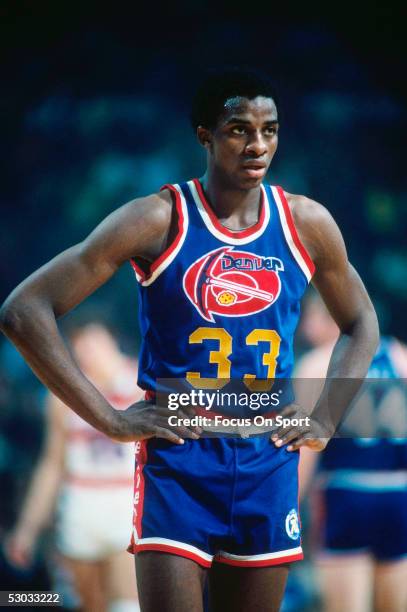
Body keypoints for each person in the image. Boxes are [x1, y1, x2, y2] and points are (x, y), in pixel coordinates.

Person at [0, 68, 379, 612]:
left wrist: (327, 416)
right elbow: (22, 310)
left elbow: (362, 322)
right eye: (238, 129)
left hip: (266, 457)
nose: (257, 145)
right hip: (179, 462)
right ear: (204, 134)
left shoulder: (306, 223)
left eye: (269, 130)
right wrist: (109, 418)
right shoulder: (157, 218)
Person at [5, 321, 142, 612]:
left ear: (112, 343)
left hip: (127, 509)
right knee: (84, 604)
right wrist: (27, 529)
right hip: (81, 510)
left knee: (128, 604)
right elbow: (52, 465)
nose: (89, 354)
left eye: (95, 344)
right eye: (82, 349)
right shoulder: (63, 398)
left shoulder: (141, 384)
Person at [296, 295, 407, 612]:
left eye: (312, 318)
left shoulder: (319, 363)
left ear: (334, 317)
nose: (305, 327)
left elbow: (307, 448)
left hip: (346, 493)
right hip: (398, 493)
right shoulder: (401, 358)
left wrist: (285, 511)